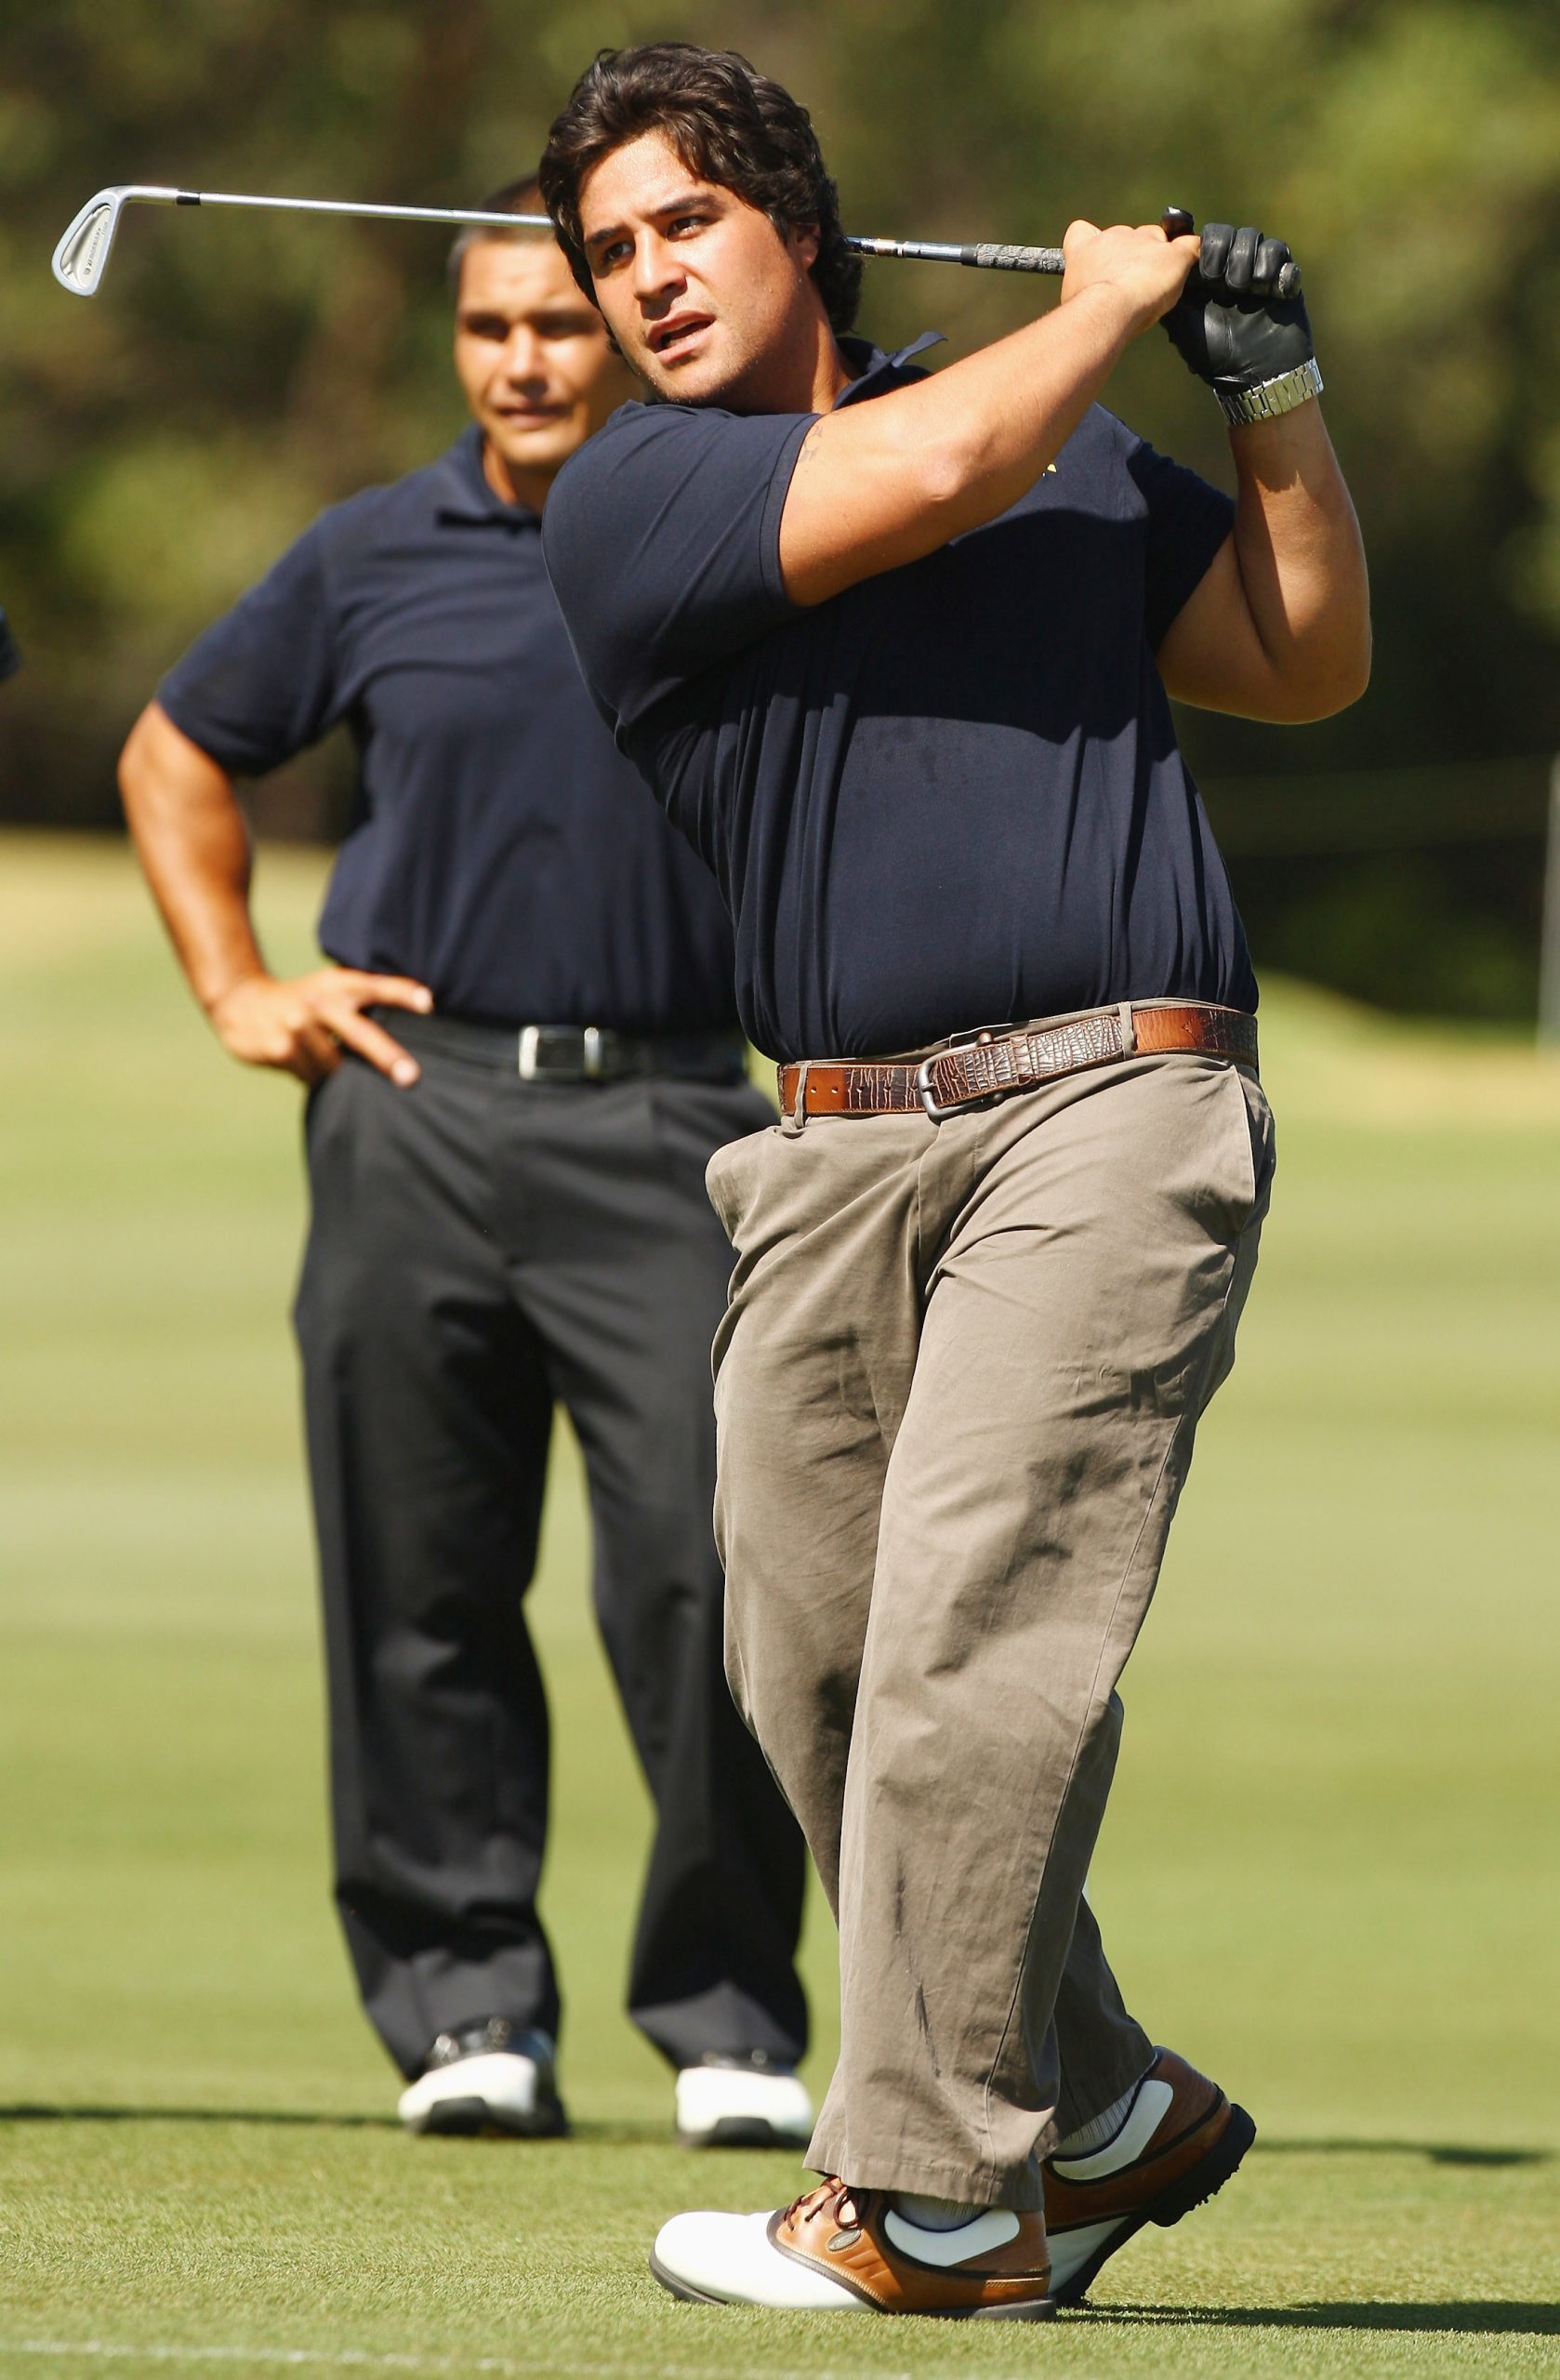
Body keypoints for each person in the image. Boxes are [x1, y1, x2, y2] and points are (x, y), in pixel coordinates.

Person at [537, 44, 1369, 2317]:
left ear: (791, 221)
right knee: (814, 1671)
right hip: (816, 1155)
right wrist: (1099, 305)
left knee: (969, 1644)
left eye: (681, 225)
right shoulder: (637, 500)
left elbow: (1302, 657)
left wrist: (1268, 389)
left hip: (1106, 1107)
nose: (642, 282)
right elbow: (916, 468)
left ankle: (913, 2198)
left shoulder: (1070, 453)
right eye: (609, 252)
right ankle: (1091, 2108)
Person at [116, 178, 813, 2150]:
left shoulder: (730, 525)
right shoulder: (372, 551)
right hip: (411, 1110)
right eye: (492, 326)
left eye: (561, 323)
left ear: (625, 325)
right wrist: (238, 980)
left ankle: (728, 2016)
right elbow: (177, 752)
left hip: (674, 1118)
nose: (524, 360)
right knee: (418, 1578)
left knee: (706, 1572)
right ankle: (463, 2009)